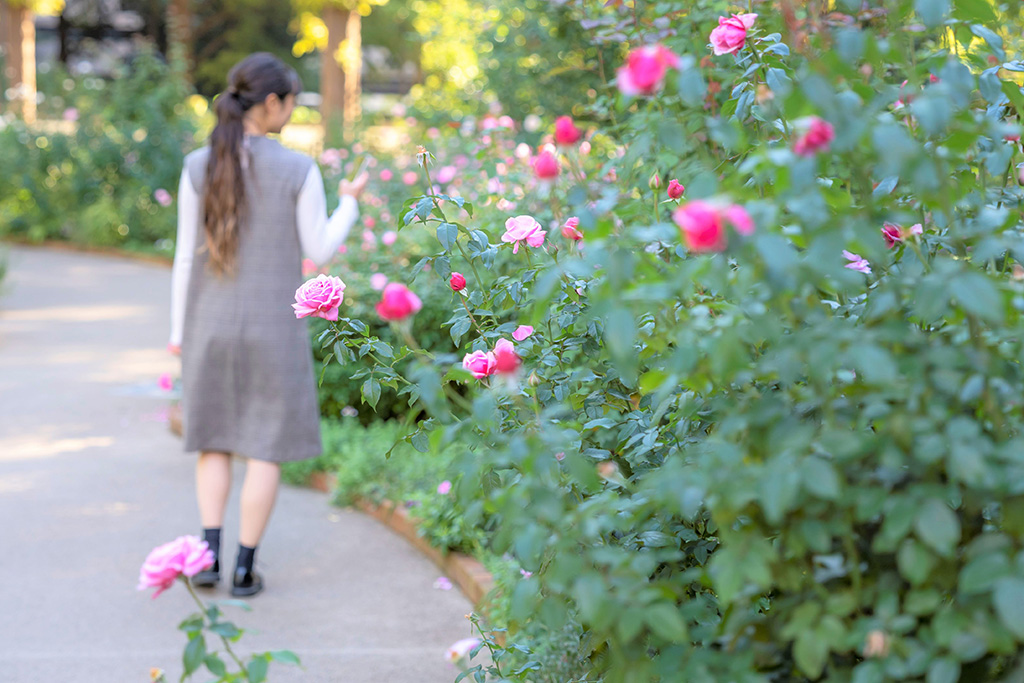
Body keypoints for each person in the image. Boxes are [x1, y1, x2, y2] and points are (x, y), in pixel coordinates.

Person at [168, 52, 368, 597]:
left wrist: (177, 333)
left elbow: (185, 257)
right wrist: (349, 203)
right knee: (265, 449)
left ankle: (207, 557)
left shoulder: (197, 164)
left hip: (207, 325)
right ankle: (243, 569)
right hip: (274, 329)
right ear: (273, 103)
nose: (291, 113)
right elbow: (320, 249)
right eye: (291, 103)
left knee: (212, 441)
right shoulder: (298, 169)